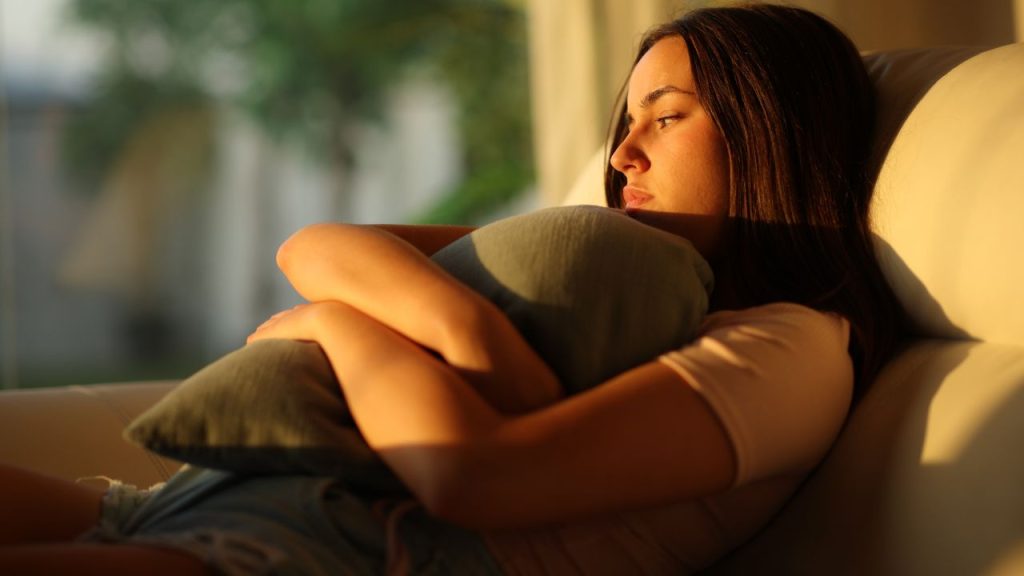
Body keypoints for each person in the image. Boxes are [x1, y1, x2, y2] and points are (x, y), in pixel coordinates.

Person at [0, 4, 904, 574]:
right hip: (191, 502)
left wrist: (331, 329)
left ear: (776, 137)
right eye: (625, 124)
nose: (623, 156)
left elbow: (472, 479)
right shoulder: (616, 274)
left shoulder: (795, 351)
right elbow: (319, 244)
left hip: (307, 554)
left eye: (666, 119)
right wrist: (472, 334)